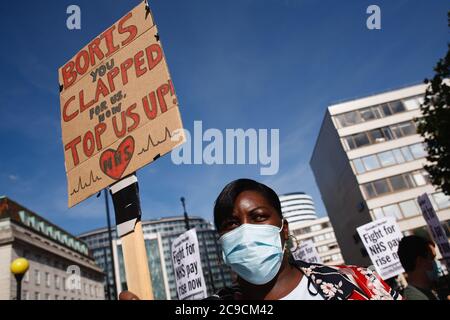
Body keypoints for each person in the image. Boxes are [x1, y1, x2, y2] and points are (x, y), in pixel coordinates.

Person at [120, 179, 401, 300]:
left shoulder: (356, 283)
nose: (245, 231)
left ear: (284, 229)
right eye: (231, 223)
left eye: (258, 217)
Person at [398, 235, 440, 300]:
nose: (435, 263)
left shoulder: (425, 292)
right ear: (420, 261)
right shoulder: (414, 297)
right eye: (431, 258)